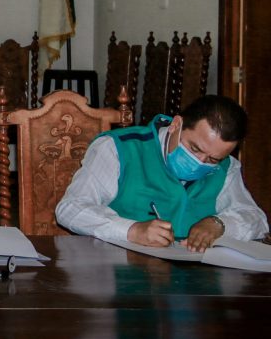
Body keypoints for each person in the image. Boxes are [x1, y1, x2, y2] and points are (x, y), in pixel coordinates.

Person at [55, 95, 268, 251]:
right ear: (176, 125)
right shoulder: (119, 148)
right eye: (194, 149)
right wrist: (131, 230)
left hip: (194, 282)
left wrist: (219, 224)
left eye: (213, 159)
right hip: (122, 273)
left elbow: (256, 219)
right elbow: (71, 209)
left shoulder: (226, 167)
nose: (200, 162)